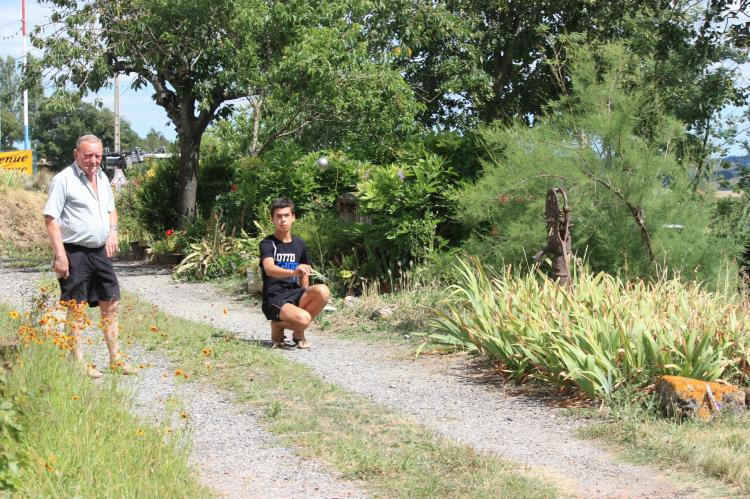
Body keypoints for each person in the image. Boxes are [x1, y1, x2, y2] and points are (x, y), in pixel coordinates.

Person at [43, 134, 133, 378]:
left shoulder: (102, 177)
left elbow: (111, 210)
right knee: (77, 307)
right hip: (74, 252)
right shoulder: (64, 180)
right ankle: (78, 362)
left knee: (111, 301)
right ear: (76, 154)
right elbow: (50, 219)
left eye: (98, 156)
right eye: (88, 156)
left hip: (100, 251)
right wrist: (60, 257)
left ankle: (115, 359)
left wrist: (113, 233)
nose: (93, 161)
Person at [260, 198, 330, 348]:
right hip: (275, 298)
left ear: (293, 217)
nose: (283, 220)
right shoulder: (268, 243)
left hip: (294, 293)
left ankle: (298, 332)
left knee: (323, 291)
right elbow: (269, 269)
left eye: (286, 215)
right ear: (273, 220)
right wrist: (293, 271)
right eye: (278, 216)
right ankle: (278, 325)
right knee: (304, 319)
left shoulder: (299, 243)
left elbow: (304, 271)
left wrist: (304, 293)